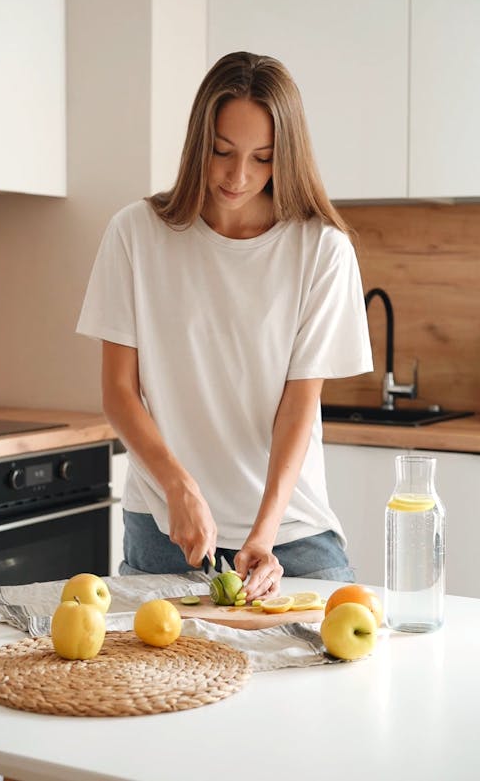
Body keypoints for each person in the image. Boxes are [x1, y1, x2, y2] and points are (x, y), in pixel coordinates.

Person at [77, 51, 373, 601]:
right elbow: (120, 392)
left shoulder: (321, 250)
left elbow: (298, 405)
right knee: (153, 687)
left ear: (285, 156)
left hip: (291, 534)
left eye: (262, 158)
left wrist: (263, 532)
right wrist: (178, 486)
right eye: (222, 152)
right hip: (167, 530)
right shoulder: (135, 234)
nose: (239, 176)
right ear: (198, 144)